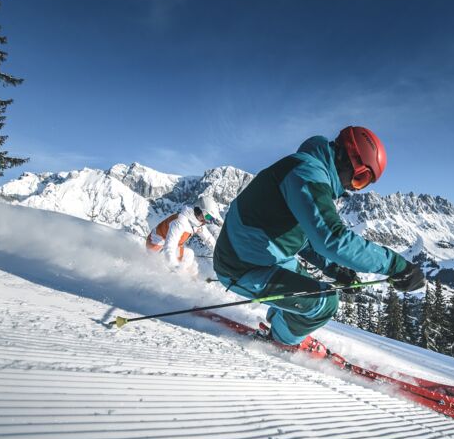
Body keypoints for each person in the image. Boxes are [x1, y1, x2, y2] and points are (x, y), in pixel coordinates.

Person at [213, 126, 425, 354]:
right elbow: (333, 239)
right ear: (346, 157)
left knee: (312, 291)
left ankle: (282, 326)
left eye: (362, 184)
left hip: (261, 254)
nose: (352, 188)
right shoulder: (306, 174)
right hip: (242, 266)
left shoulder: (305, 169)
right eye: (360, 178)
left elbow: (303, 239)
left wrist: (335, 270)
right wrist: (396, 265)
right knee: (326, 303)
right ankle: (279, 341)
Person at [146, 195, 222, 275]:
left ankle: (187, 279)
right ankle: (174, 278)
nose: (207, 220)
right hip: (156, 247)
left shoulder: (196, 222)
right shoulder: (180, 222)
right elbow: (170, 245)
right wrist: (174, 267)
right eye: (208, 216)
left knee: (189, 255)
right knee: (182, 261)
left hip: (167, 246)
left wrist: (220, 254)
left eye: (210, 218)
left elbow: (208, 239)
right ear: (200, 210)